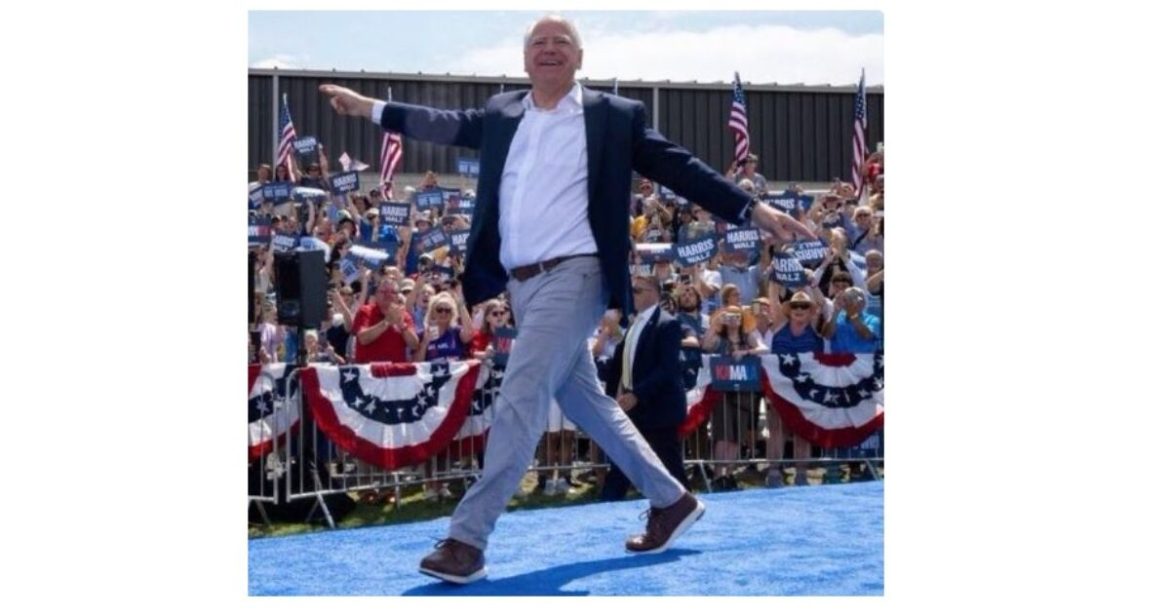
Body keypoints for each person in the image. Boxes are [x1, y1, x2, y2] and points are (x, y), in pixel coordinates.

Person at [320, 14, 813, 584]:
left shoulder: (613, 116)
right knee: (587, 403)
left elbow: (680, 167)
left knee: (522, 393)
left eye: (561, 42)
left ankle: (467, 540)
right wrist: (369, 107)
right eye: (539, 42)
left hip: (578, 273)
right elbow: (442, 123)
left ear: (580, 58)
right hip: (521, 284)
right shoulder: (503, 113)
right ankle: (671, 500)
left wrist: (751, 208)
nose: (549, 49)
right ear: (525, 58)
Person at [600, 276, 690, 501]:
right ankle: (608, 502)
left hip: (659, 408)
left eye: (638, 291)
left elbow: (667, 369)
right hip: (635, 407)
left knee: (669, 463)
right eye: (632, 290)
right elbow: (620, 364)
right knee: (624, 459)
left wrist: (637, 395)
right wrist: (610, 396)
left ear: (654, 294)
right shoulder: (634, 323)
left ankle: (686, 503)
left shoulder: (668, 324)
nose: (632, 295)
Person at [351, 283, 420, 364]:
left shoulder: (404, 315)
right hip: (370, 370)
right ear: (376, 295)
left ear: (398, 296)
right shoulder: (365, 311)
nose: (388, 295)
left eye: (392, 292)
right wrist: (387, 321)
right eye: (383, 292)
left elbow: (414, 345)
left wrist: (401, 324)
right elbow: (363, 339)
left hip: (395, 369)